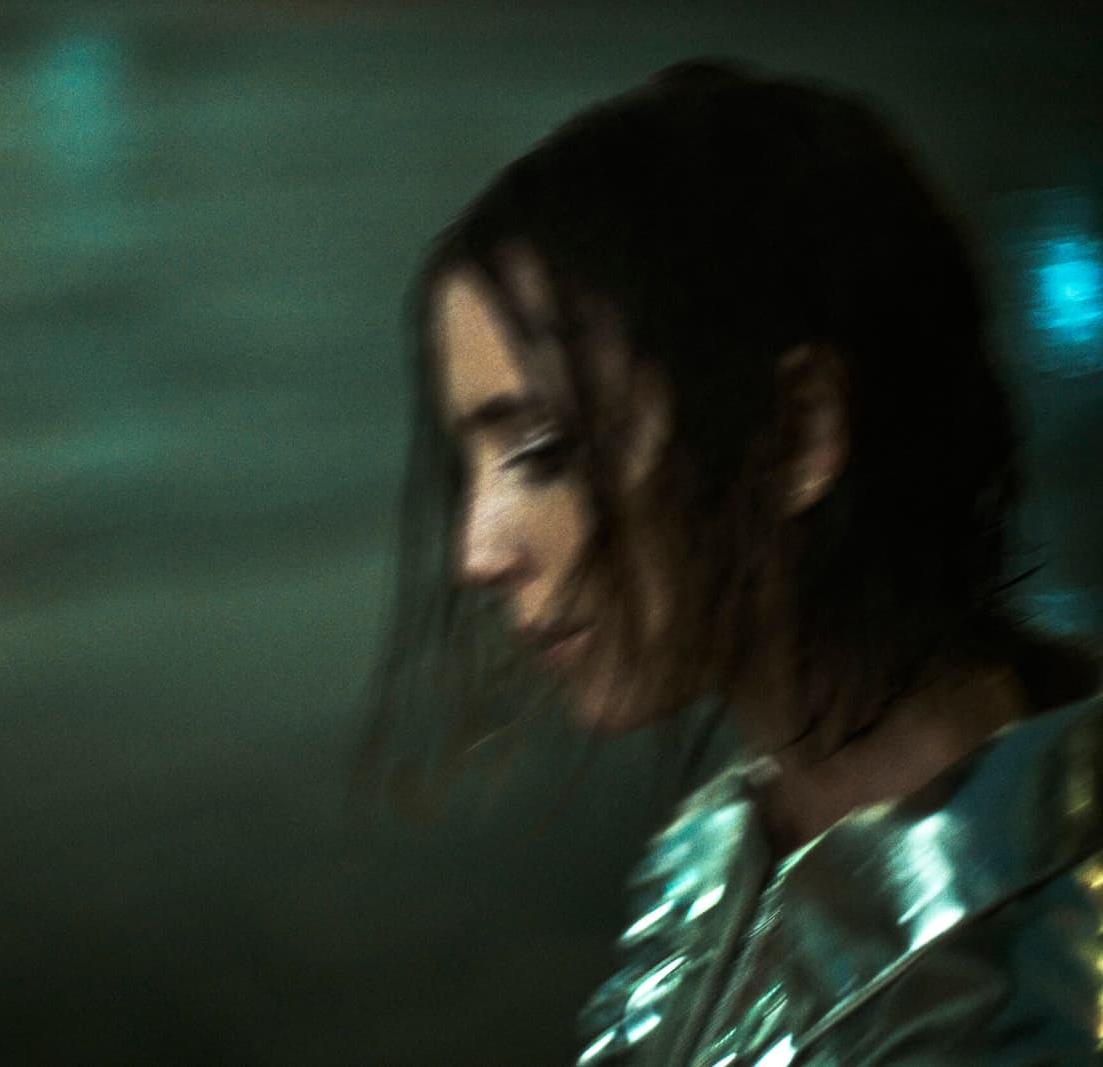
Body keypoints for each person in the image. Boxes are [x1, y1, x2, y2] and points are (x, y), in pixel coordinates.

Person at [356, 60, 1103, 1065]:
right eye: (471, 463)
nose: (476, 552)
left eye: (545, 450)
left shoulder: (1039, 977)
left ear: (795, 434)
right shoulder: (719, 845)